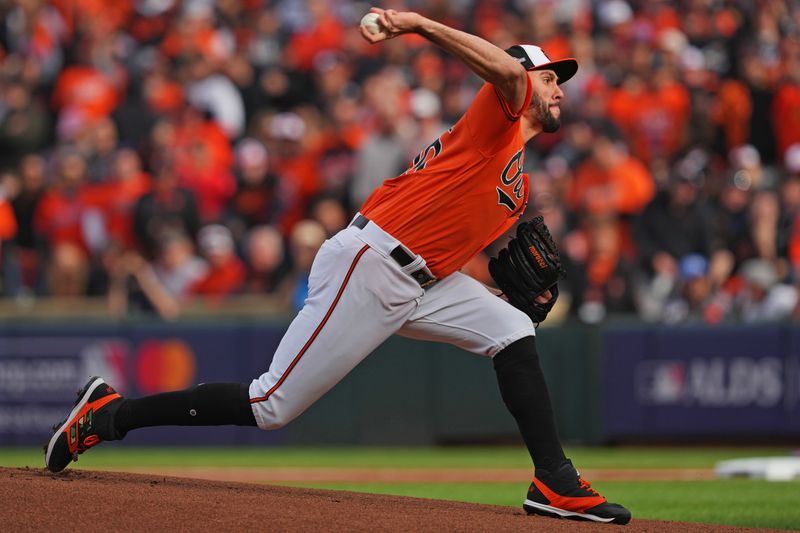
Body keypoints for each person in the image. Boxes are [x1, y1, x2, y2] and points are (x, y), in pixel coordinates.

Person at [44, 9, 630, 525]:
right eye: (550, 77)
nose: (560, 89)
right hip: (371, 263)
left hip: (422, 278)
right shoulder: (500, 112)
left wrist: (501, 286)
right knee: (270, 405)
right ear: (522, 78)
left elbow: (454, 249)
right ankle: (108, 415)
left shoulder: (515, 176)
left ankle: (554, 480)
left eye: (560, 82)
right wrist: (419, 24)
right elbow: (505, 71)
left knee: (512, 328)